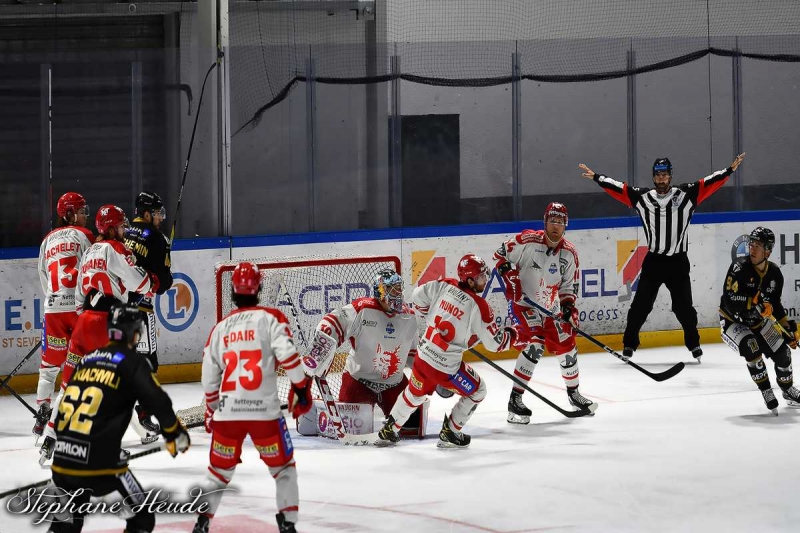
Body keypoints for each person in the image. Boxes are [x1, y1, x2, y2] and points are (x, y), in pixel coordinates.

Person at [579, 153, 746, 362]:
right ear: (653, 177)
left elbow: (708, 183)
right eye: (658, 175)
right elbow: (619, 188)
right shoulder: (643, 198)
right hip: (654, 262)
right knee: (641, 306)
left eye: (664, 175)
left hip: (678, 263)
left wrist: (729, 171)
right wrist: (597, 177)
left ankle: (694, 344)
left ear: (670, 176)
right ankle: (629, 345)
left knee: (684, 308)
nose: (661, 179)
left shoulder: (686, 195)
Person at [48, 302, 190, 533]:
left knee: (65, 526)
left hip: (62, 462)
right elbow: (157, 400)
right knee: (142, 520)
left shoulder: (87, 359)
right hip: (101, 468)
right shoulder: (131, 361)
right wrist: (174, 433)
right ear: (135, 334)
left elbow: (64, 407)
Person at [192, 262, 312, 533]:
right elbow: (290, 357)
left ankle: (202, 522)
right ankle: (287, 524)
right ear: (259, 288)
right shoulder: (271, 318)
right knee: (283, 469)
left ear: (233, 291)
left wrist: (211, 409)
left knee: (218, 472)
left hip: (227, 415)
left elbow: (208, 375)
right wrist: (301, 388)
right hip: (264, 416)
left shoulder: (221, 328)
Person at [39, 205, 157, 463]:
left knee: (68, 385)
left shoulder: (89, 251)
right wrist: (151, 282)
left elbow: (79, 297)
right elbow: (139, 281)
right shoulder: (116, 249)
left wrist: (87, 318)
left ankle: (50, 437)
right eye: (122, 226)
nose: (124, 230)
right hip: (109, 325)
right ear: (112, 228)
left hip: (84, 324)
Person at [375, 254, 524, 448]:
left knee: (414, 394)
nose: (485, 280)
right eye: (480, 277)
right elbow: (494, 344)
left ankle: (390, 429)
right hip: (446, 369)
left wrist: (430, 315)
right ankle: (451, 432)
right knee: (478, 390)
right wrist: (514, 334)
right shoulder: (479, 306)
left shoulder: (445, 285)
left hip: (423, 357)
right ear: (469, 280)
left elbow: (417, 295)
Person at [494, 202, 596, 424]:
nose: (555, 226)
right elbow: (499, 256)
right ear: (545, 222)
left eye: (560, 222)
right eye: (552, 221)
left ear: (566, 225)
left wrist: (568, 310)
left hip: (550, 309)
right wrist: (509, 274)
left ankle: (574, 395)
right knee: (536, 343)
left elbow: (568, 288)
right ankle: (515, 400)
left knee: (567, 343)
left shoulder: (570, 254)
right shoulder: (527, 240)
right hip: (524, 304)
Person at [311, 269, 419, 420]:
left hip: (394, 383)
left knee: (412, 423)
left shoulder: (410, 317)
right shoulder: (362, 309)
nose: (397, 293)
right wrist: (322, 343)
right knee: (352, 424)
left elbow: (414, 355)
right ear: (379, 291)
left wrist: (429, 375)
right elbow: (334, 320)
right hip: (359, 381)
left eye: (398, 287)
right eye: (390, 288)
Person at [719, 227, 800, 414]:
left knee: (783, 353)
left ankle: (787, 389)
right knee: (751, 347)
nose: (752, 248)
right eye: (751, 244)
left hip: (757, 322)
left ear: (768, 251)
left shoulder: (775, 274)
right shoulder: (739, 267)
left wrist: (788, 330)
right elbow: (729, 300)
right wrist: (752, 301)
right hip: (732, 322)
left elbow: (775, 305)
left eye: (758, 245)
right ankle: (766, 390)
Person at [33, 193, 94, 439]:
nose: (85, 215)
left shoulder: (46, 241)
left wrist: (55, 300)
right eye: (81, 211)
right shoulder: (85, 235)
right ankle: (76, 416)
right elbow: (93, 268)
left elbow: (43, 276)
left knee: (49, 366)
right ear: (68, 214)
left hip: (53, 310)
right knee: (84, 364)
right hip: (78, 309)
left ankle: (42, 412)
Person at [123, 191, 174, 434]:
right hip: (140, 312)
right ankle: (144, 411)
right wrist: (166, 266)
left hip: (115, 311)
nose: (161, 217)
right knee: (147, 363)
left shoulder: (122, 232)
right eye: (156, 213)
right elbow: (162, 285)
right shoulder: (157, 238)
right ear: (146, 214)